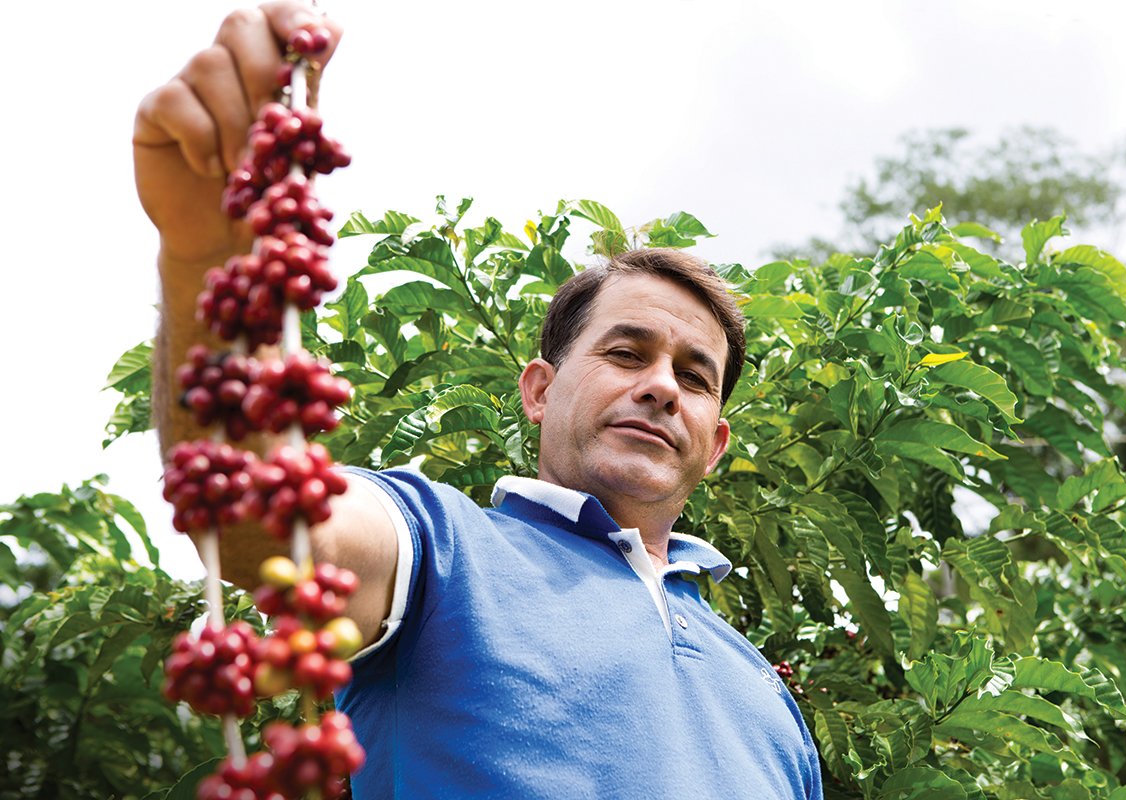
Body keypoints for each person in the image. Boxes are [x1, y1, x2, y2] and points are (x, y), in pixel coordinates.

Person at [134, 3, 823, 797]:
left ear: (716, 440)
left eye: (694, 377)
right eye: (626, 352)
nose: (662, 386)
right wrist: (208, 264)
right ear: (539, 390)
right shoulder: (442, 550)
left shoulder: (766, 698)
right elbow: (271, 520)